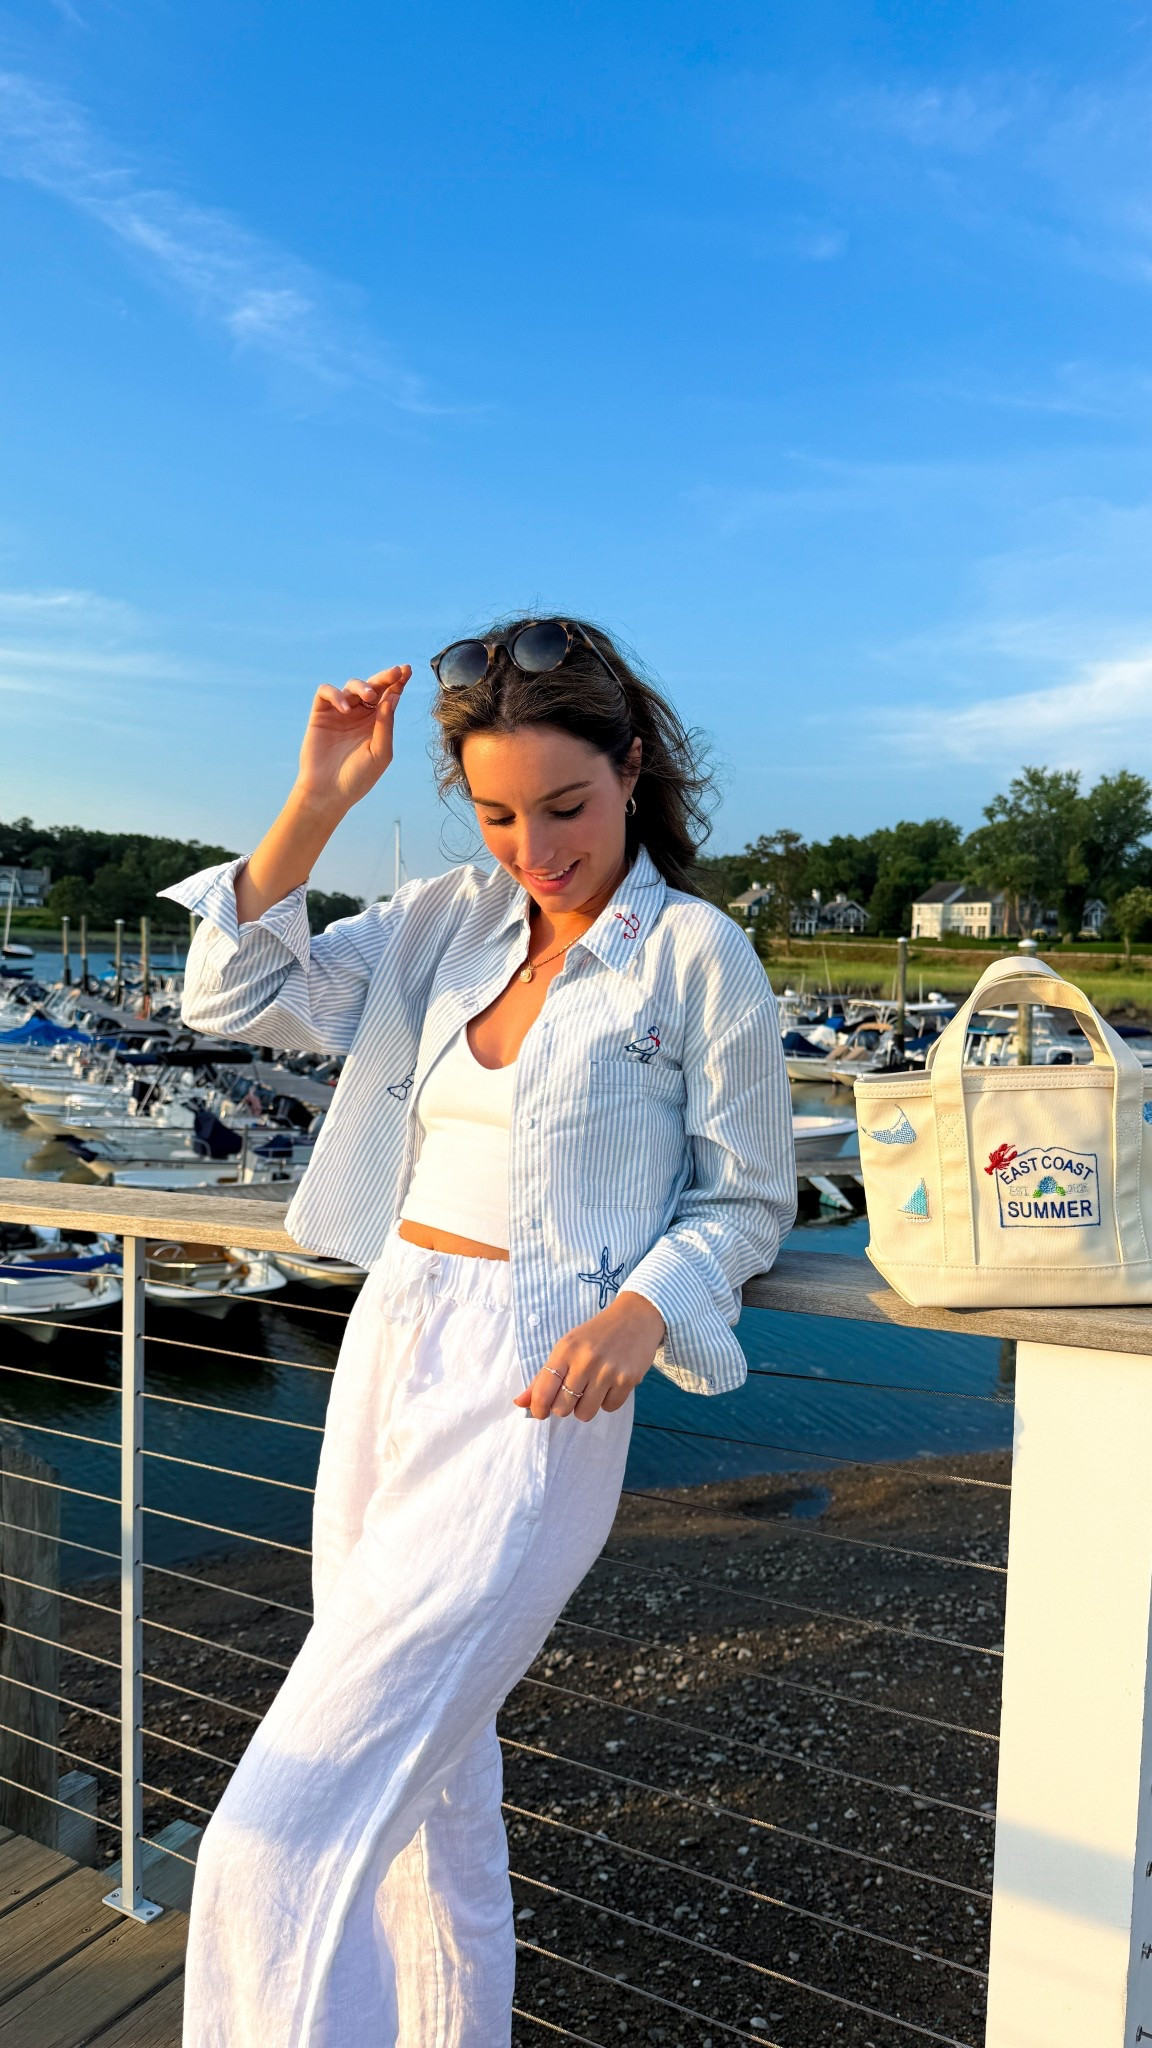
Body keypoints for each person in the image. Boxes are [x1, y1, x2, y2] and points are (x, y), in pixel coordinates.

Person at [161, 615, 795, 2048]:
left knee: (280, 1827)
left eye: (566, 808)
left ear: (634, 770)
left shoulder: (691, 954)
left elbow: (750, 1199)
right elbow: (236, 991)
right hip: (393, 1336)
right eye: (501, 813)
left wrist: (649, 1309)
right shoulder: (450, 918)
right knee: (438, 1792)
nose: (536, 848)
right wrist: (321, 794)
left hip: (540, 1385)